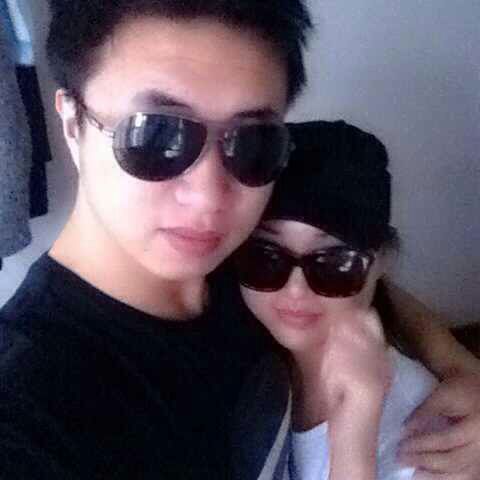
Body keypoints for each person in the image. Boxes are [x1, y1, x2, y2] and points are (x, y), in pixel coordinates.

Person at [0, 1, 479, 478]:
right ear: (73, 125)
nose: (209, 199)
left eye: (251, 141)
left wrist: (456, 363)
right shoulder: (28, 409)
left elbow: (352, 273)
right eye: (157, 134)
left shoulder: (248, 260)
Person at [230, 120, 477, 480]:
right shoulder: (254, 347)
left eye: (334, 263)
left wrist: (354, 432)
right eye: (266, 256)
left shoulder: (431, 432)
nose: (296, 289)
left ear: (381, 264)